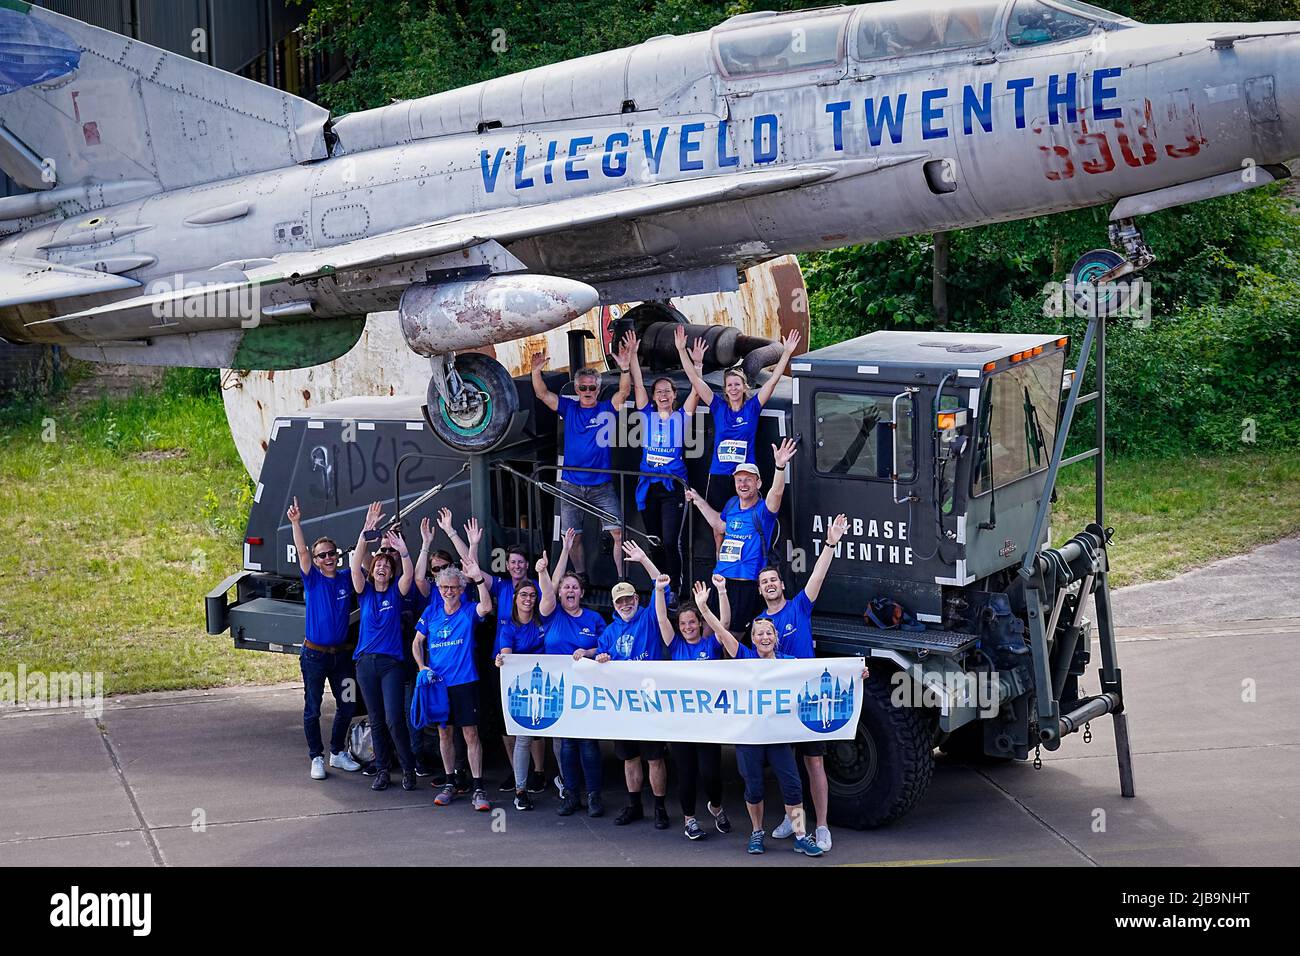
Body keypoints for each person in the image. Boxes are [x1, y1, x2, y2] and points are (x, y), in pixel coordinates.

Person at [693, 582, 822, 857]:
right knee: (754, 789)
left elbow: (819, 677)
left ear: (776, 638)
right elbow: (721, 632)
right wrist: (704, 606)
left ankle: (800, 834)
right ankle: (757, 832)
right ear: (752, 639)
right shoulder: (744, 657)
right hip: (749, 737)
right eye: (759, 633)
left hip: (778, 737)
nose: (764, 636)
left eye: (768, 632)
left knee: (792, 786)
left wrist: (855, 676)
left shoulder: (789, 662)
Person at [754, 513, 849, 854]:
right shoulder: (760, 626)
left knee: (813, 764)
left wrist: (831, 542)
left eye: (773, 580)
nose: (769, 585)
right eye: (763, 582)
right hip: (779, 705)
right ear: (760, 589)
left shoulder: (799, 608)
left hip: (808, 702)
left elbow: (818, 575)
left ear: (781, 585)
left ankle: (821, 826)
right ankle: (793, 821)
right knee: (786, 768)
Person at [435, 509, 544, 794]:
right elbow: (470, 568)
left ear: (527, 565)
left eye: (521, 562)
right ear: (507, 566)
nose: (517, 566)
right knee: (507, 721)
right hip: (503, 663)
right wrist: (454, 533)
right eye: (512, 563)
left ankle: (540, 773)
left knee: (535, 721)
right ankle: (516, 772)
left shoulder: (535, 589)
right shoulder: (502, 586)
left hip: (533, 664)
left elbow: (552, 592)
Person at [677, 327, 800, 551]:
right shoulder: (718, 407)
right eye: (729, 385)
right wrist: (681, 351)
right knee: (718, 529)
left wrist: (786, 353)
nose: (733, 388)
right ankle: (720, 575)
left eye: (737, 384)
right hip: (719, 475)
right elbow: (696, 381)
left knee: (748, 526)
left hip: (745, 476)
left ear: (744, 387)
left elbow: (772, 382)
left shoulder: (752, 407)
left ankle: (748, 569)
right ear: (725, 389)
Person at [530, 336, 635, 578]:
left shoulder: (606, 408)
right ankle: (581, 576)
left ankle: (622, 579)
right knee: (572, 537)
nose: (588, 391)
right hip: (571, 486)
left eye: (592, 387)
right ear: (577, 389)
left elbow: (624, 391)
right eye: (583, 387)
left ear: (598, 389)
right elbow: (542, 394)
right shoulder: (570, 407)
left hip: (601, 486)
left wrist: (626, 367)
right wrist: (536, 371)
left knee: (618, 533)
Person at [591, 540, 672, 828]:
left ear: (637, 599)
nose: (626, 604)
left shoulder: (649, 618)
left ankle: (660, 808)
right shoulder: (610, 632)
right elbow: (604, 658)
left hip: (649, 701)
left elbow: (661, 586)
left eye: (630, 599)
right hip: (623, 704)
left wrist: (643, 559)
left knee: (655, 758)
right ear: (614, 605)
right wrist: (598, 657)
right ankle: (634, 805)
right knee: (629, 758)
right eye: (620, 601)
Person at [686, 437, 799, 639]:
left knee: (732, 637)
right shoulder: (731, 504)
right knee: (708, 631)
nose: (743, 484)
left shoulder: (763, 510)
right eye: (739, 479)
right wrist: (698, 501)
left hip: (745, 583)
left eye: (748, 479)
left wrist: (780, 467)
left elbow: (777, 493)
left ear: (758, 483)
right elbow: (719, 526)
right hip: (720, 580)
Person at [653, 573, 733, 840]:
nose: (687, 627)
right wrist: (659, 591)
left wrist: (720, 592)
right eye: (683, 623)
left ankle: (717, 807)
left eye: (692, 622)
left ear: (700, 624)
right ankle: (689, 819)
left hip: (708, 723)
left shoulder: (710, 644)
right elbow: (662, 619)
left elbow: (724, 624)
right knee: (685, 774)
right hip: (682, 725)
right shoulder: (675, 645)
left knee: (711, 774)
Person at [287, 497, 361, 780]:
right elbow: (302, 552)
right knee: (313, 708)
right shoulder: (313, 579)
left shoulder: (345, 577)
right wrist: (296, 522)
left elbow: (363, 559)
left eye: (331, 553)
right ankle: (316, 757)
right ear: (316, 561)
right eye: (322, 556)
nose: (327, 558)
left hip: (341, 656)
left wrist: (368, 531)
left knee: (348, 704)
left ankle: (337, 752)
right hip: (315, 656)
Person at [628, 327, 706, 595]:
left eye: (667, 391)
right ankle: (659, 586)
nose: (662, 395)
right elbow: (638, 384)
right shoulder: (646, 414)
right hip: (648, 486)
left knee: (672, 541)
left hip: (673, 487)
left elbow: (698, 387)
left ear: (674, 395)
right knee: (655, 541)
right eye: (658, 391)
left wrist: (694, 361)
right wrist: (634, 356)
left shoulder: (683, 415)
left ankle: (675, 587)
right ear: (654, 397)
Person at [414, 556, 494, 812]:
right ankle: (449, 783)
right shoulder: (431, 612)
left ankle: (478, 787)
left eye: (453, 588)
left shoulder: (469, 610)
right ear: (439, 589)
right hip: (438, 685)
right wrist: (421, 667)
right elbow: (416, 642)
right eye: (444, 588)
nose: (448, 592)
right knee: (444, 733)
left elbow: (487, 606)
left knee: (470, 734)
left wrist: (479, 579)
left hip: (465, 682)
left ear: (461, 590)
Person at [537, 529, 606, 816]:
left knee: (589, 745)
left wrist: (589, 653)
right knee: (567, 746)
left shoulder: (594, 618)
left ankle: (594, 797)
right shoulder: (552, 614)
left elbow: (606, 650)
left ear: (581, 592)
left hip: (587, 691)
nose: (569, 591)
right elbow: (548, 590)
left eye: (574, 588)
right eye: (565, 588)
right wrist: (562, 553)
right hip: (559, 689)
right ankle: (571, 795)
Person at [349, 502, 417, 792]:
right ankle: (382, 770)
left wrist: (402, 551)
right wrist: (366, 530)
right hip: (365, 663)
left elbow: (409, 576)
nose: (381, 569)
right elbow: (355, 564)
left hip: (390, 664)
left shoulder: (396, 592)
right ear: (372, 570)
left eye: (385, 567)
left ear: (390, 573)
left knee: (393, 719)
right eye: (377, 566)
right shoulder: (364, 593)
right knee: (375, 720)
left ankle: (409, 769)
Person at [493, 579, 548, 811]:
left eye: (533, 595)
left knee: (558, 737)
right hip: (524, 688)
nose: (528, 599)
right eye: (524, 594)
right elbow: (506, 654)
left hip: (548, 684)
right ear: (515, 597)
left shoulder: (543, 620)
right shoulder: (508, 627)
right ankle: (520, 790)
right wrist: (501, 660)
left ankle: (566, 784)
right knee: (523, 738)